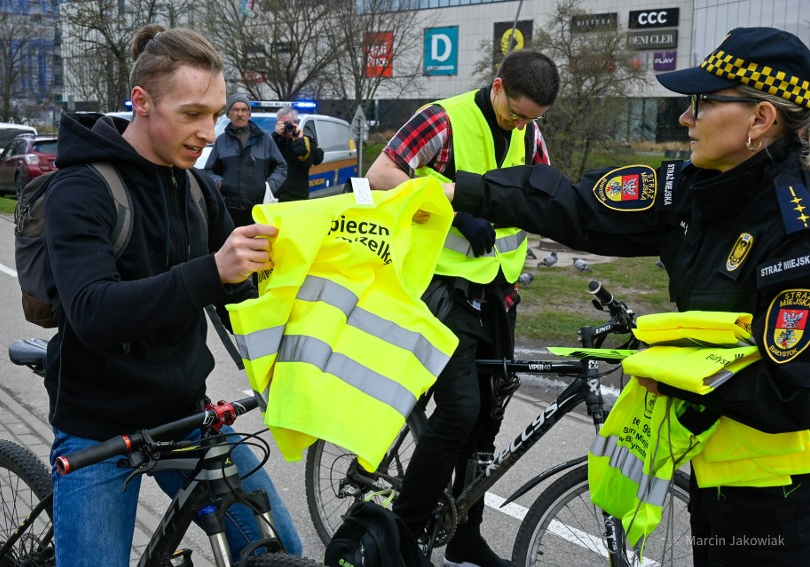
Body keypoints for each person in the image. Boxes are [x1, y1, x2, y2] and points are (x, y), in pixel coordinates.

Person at [444, 27, 810, 567]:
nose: (686, 117)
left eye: (703, 102)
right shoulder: (695, 186)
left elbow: (792, 390)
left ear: (760, 120)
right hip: (709, 469)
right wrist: (459, 189)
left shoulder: (793, 231)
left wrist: (671, 370)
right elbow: (577, 206)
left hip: (775, 496)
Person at [42, 24, 302, 565]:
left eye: (215, 113)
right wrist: (214, 270)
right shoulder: (81, 188)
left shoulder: (197, 187)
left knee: (281, 550)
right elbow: (92, 312)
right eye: (192, 114)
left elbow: (238, 300)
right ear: (141, 102)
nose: (209, 132)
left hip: (185, 417)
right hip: (99, 431)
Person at [366, 49, 560, 567]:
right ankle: (403, 539)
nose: (522, 125)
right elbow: (382, 175)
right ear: (497, 87)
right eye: (516, 113)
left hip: (499, 292)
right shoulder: (443, 118)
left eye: (532, 119)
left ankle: (465, 534)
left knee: (487, 420)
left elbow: (541, 194)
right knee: (459, 410)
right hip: (443, 290)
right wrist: (452, 214)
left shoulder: (530, 133)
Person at [204, 93, 287, 226]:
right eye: (235, 110)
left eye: (244, 110)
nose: (240, 114)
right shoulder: (221, 141)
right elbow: (208, 171)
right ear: (229, 114)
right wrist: (219, 182)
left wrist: (268, 187)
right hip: (229, 210)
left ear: (249, 114)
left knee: (256, 245)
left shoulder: (265, 139)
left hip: (258, 210)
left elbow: (281, 167)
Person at [271, 105, 324, 201]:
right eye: (282, 123)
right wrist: (275, 136)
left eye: (288, 123)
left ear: (296, 124)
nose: (286, 127)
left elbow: (316, 160)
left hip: (297, 197)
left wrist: (298, 138)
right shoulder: (272, 141)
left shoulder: (305, 140)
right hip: (275, 197)